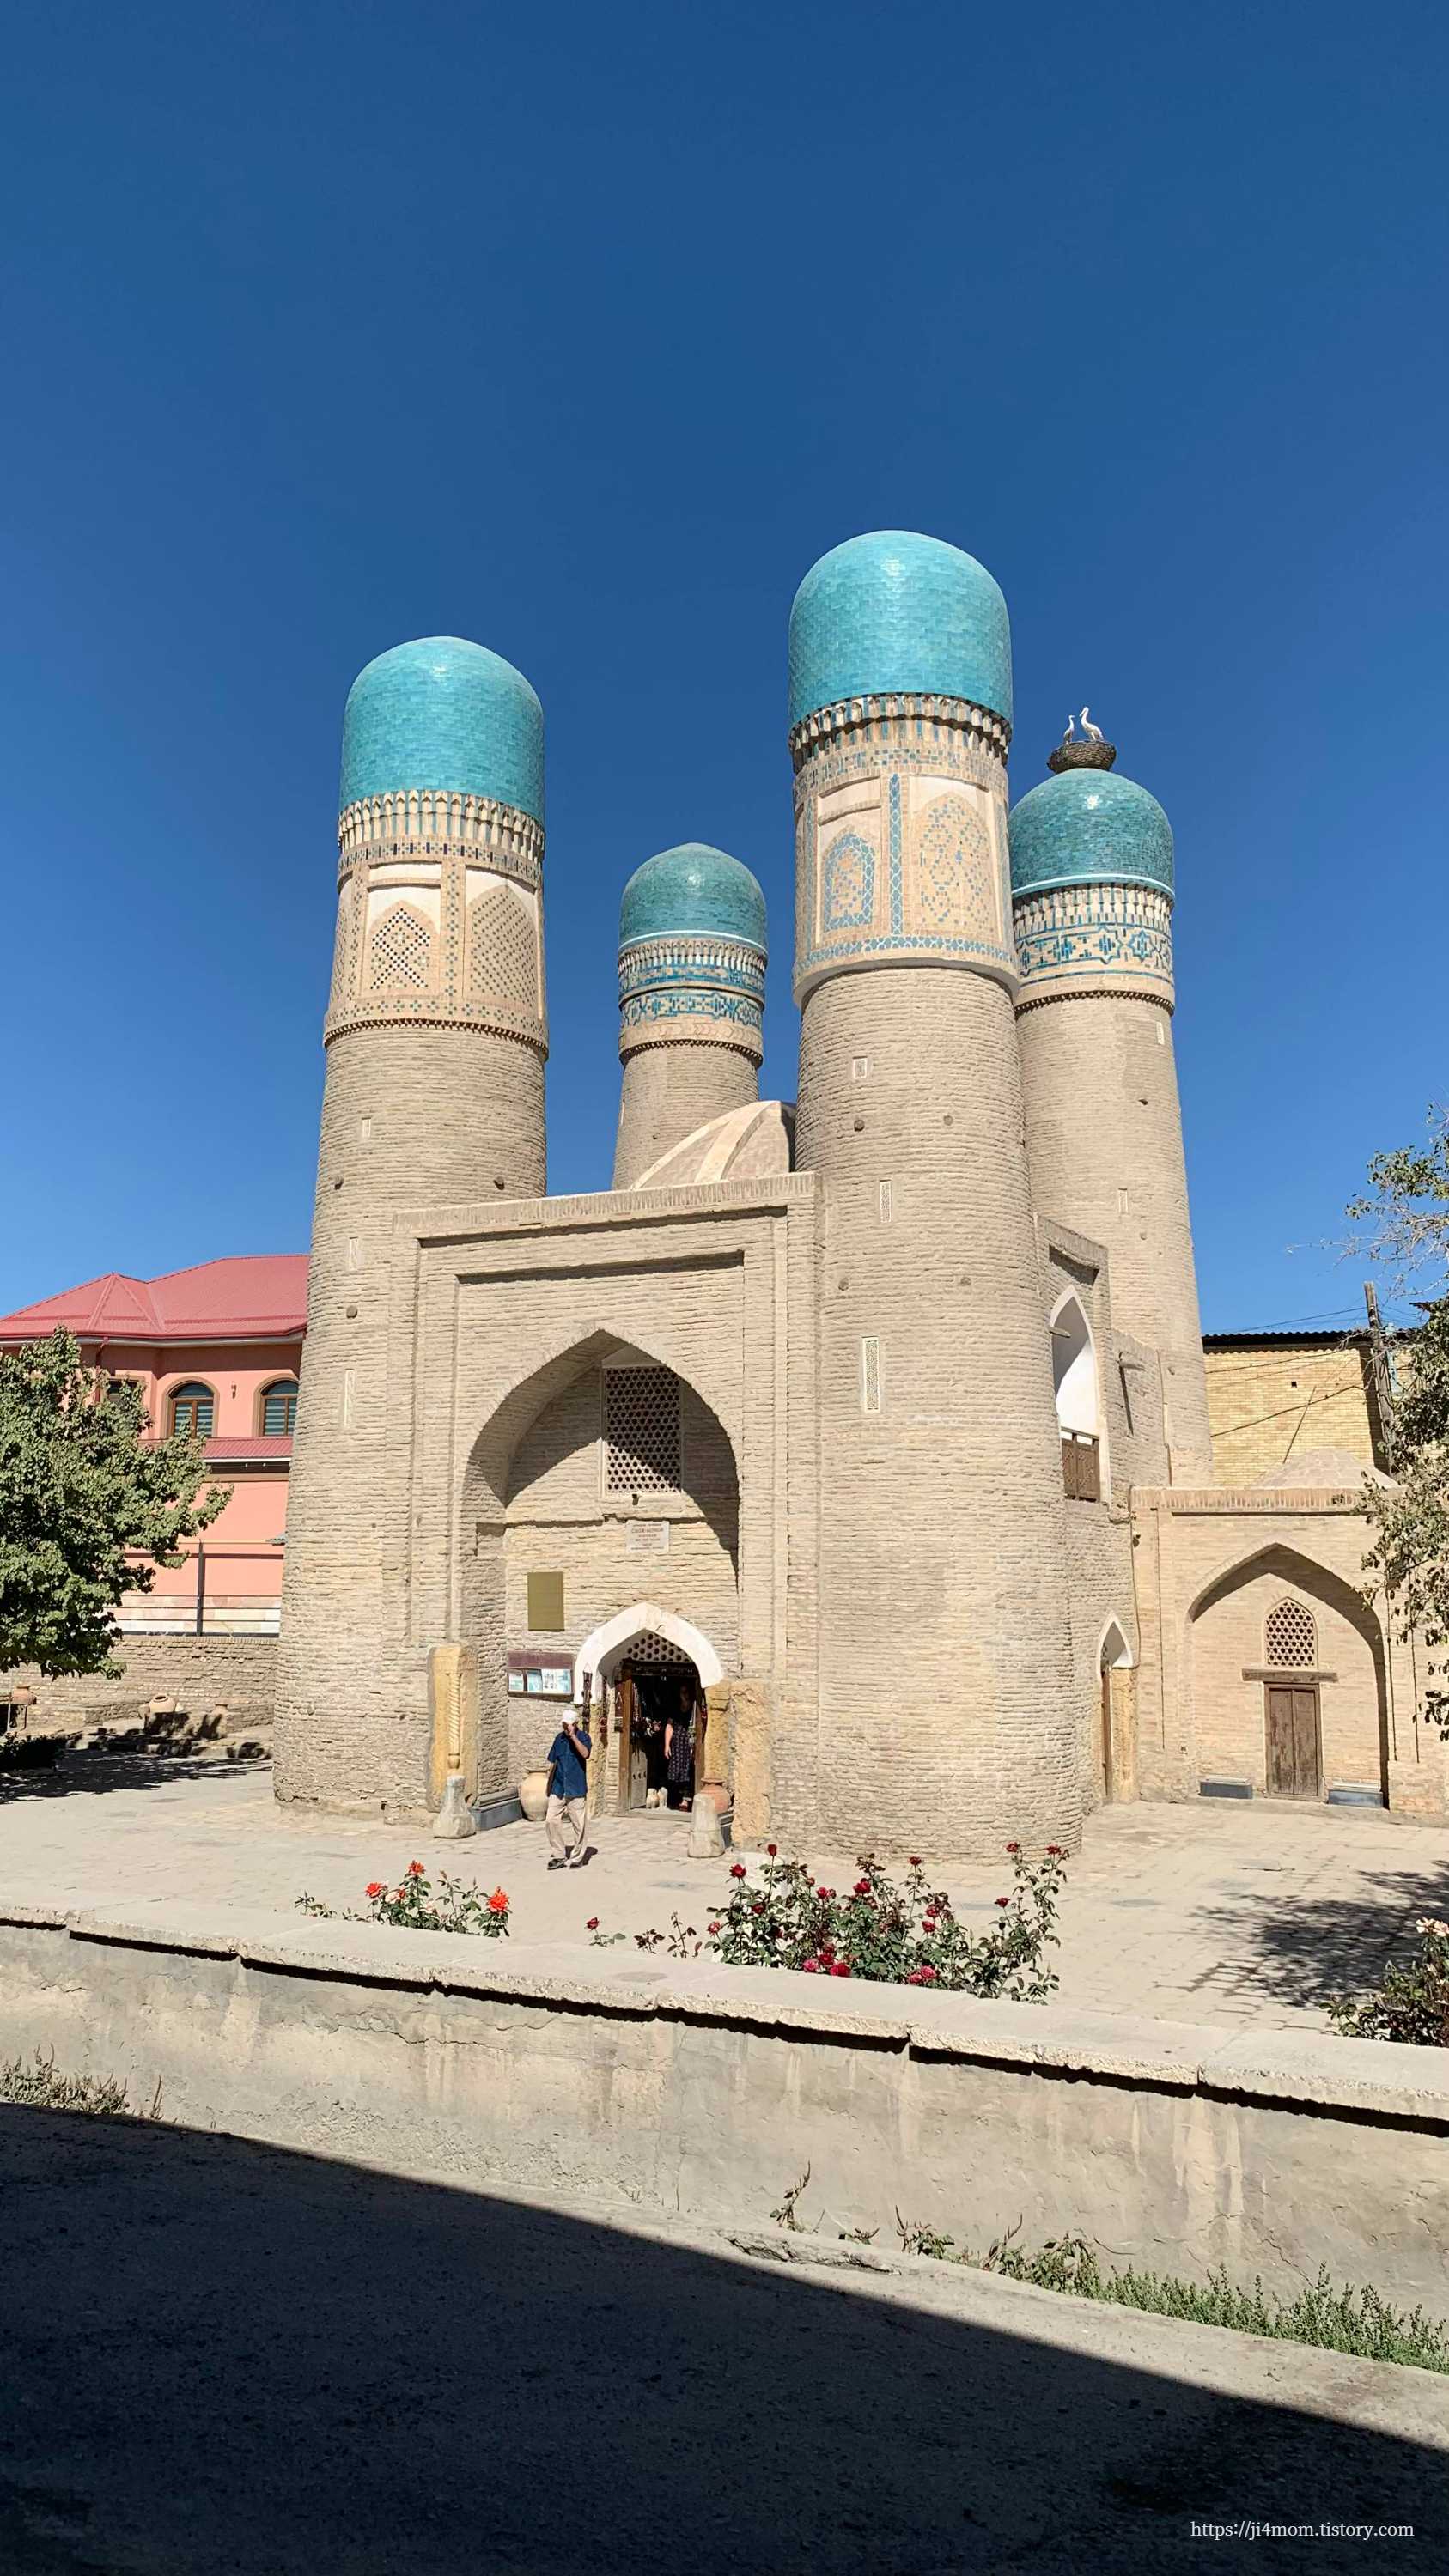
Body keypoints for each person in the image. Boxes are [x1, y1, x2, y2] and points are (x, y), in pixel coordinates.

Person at [544, 1709, 594, 1869]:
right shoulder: (558, 1738)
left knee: (579, 1825)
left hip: (576, 1787)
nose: (566, 1727)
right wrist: (549, 1785)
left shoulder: (583, 1737)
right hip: (558, 1787)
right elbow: (553, 1762)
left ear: (576, 1724)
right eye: (564, 1724)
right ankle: (559, 1854)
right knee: (551, 1820)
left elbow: (585, 1754)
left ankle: (578, 1857)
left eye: (569, 1725)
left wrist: (573, 1737)